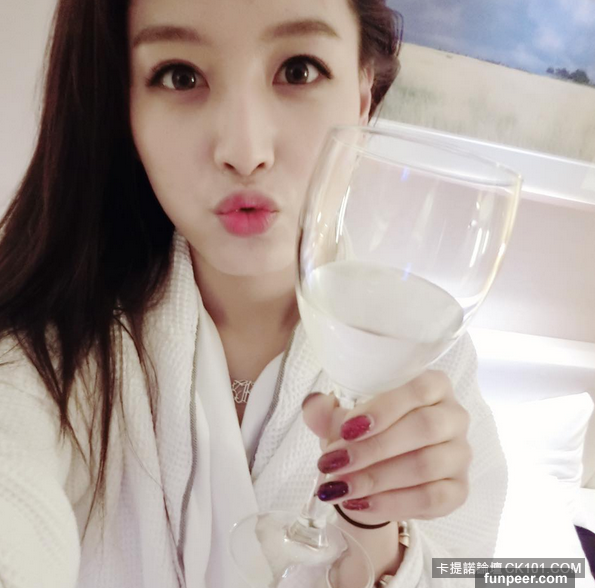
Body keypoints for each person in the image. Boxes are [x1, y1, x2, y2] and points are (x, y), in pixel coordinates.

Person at [0, 0, 507, 586]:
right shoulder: (42, 350)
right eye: (180, 76)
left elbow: (479, 570)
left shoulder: (430, 358)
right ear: (125, 107)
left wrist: (376, 531)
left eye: (298, 70)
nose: (245, 152)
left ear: (362, 97)